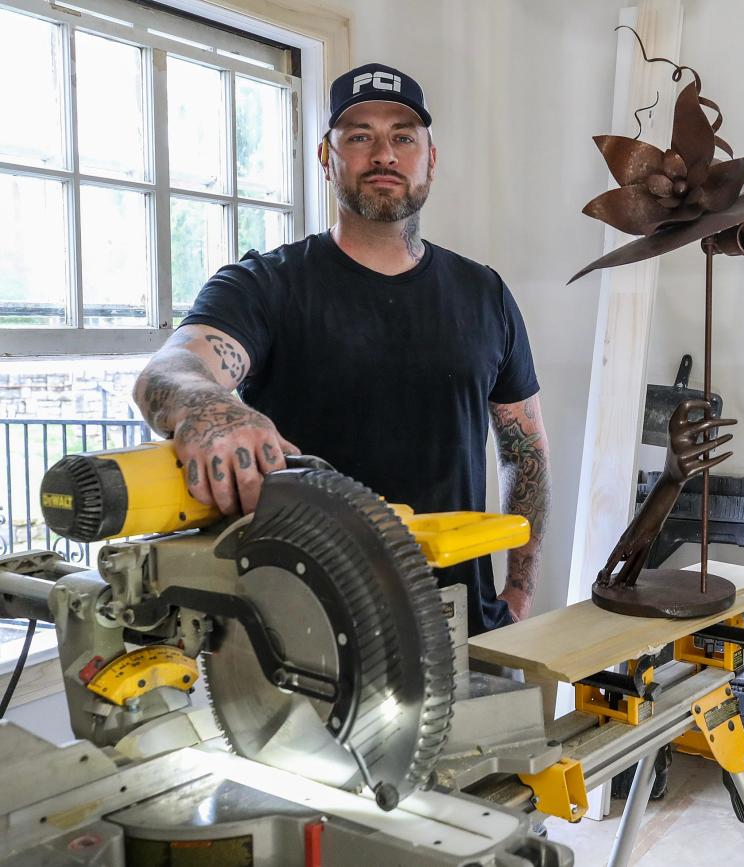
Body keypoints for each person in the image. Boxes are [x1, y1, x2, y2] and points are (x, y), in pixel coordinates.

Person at [133, 62, 550, 636]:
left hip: (460, 626)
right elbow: (173, 368)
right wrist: (211, 408)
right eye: (360, 136)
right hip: (305, 640)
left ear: (431, 158)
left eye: (403, 136)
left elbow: (523, 448)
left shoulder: (485, 295)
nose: (384, 154)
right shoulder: (267, 285)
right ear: (328, 159)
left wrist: (520, 591)